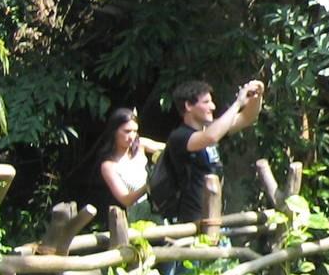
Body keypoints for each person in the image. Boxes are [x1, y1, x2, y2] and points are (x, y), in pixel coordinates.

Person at [164, 78, 266, 224]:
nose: (212, 107)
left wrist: (256, 96)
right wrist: (238, 103)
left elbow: (247, 117)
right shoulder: (180, 136)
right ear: (188, 106)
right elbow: (211, 137)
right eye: (206, 102)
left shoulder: (212, 129)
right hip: (193, 221)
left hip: (215, 216)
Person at [91, 107, 165, 224]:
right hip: (137, 217)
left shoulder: (141, 145)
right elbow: (126, 199)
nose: (132, 136)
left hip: (160, 207)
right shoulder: (108, 166)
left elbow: (169, 149)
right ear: (114, 131)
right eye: (127, 131)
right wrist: (148, 186)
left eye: (135, 131)